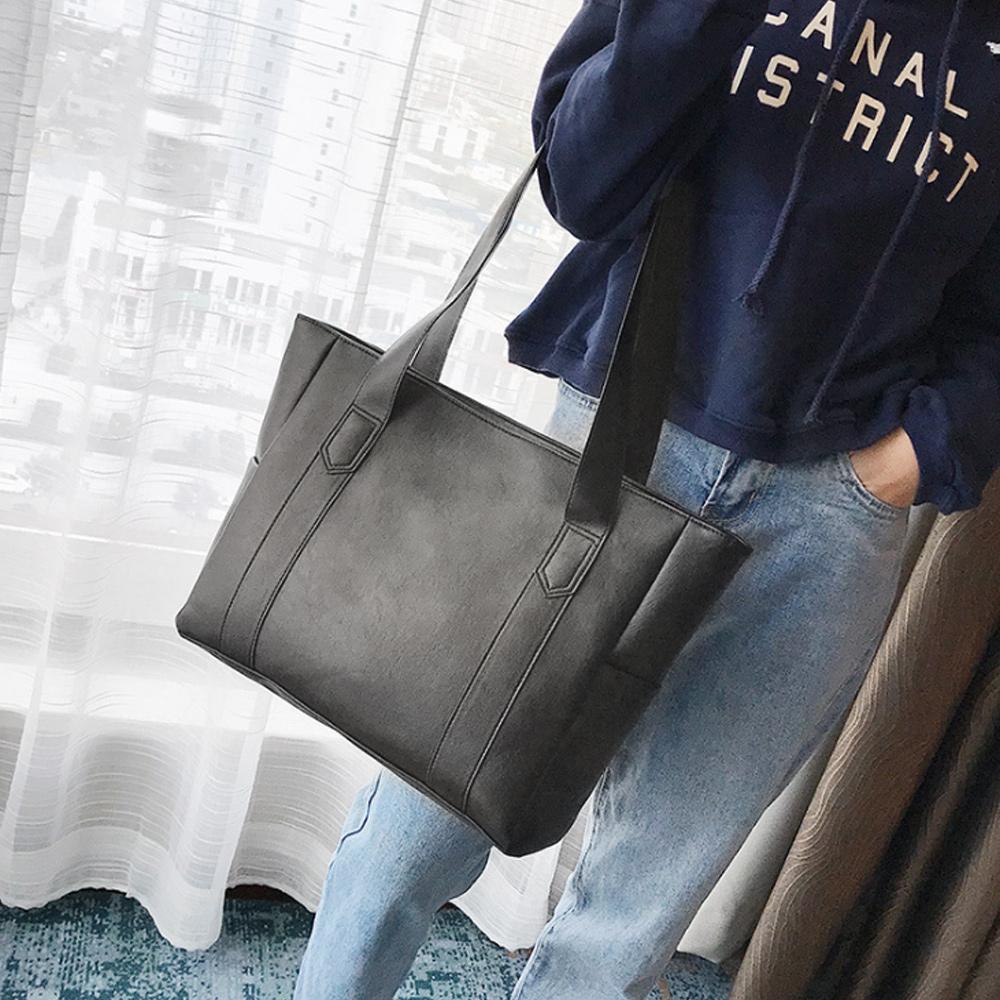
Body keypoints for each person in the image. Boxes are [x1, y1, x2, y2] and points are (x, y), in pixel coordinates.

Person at [293, 1, 1000, 997]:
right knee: (416, 830)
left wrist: (914, 454)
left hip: (828, 521)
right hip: (618, 435)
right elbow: (581, 180)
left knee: (633, 913)